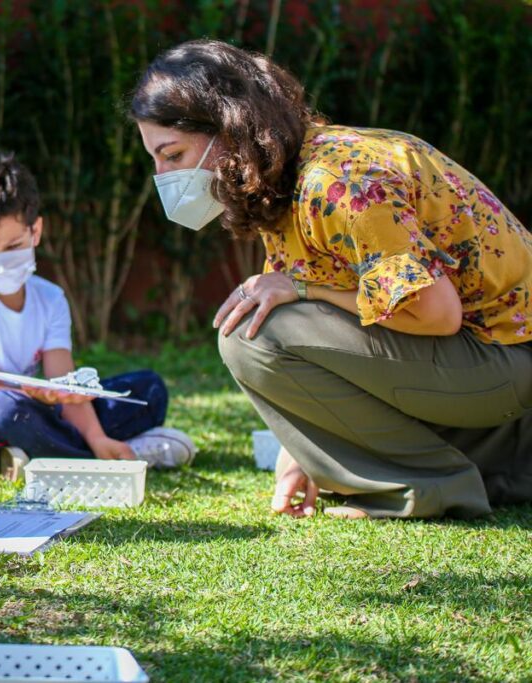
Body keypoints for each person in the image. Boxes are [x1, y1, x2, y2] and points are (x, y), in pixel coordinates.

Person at [130, 39, 532, 519]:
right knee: (265, 318)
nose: (163, 175)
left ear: (228, 129)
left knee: (252, 335)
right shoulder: (290, 174)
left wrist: (304, 290)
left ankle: (422, 489)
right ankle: (502, 465)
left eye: (172, 154)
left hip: (506, 360)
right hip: (493, 366)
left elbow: (436, 313)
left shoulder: (338, 181)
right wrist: (307, 451)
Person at [0, 152, 195, 473]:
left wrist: (90, 429)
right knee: (4, 410)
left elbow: (64, 383)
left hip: (32, 408)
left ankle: (49, 449)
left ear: (35, 231)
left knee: (148, 390)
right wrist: (46, 398)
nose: (1, 262)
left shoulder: (50, 298)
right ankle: (102, 457)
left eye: (12, 247)